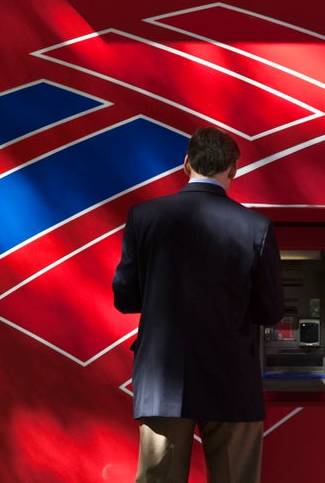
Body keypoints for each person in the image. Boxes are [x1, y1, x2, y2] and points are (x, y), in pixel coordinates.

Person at [112, 126, 285, 482]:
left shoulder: (145, 217)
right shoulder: (256, 228)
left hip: (164, 380)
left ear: (186, 163)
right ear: (233, 170)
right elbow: (270, 310)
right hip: (232, 379)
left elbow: (125, 297)